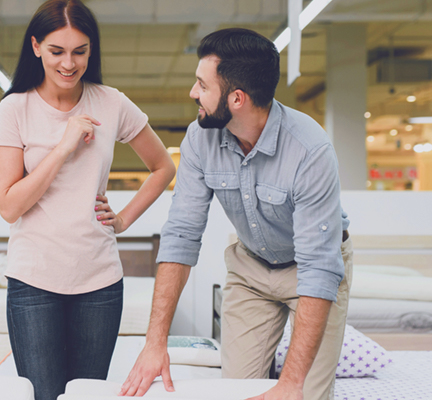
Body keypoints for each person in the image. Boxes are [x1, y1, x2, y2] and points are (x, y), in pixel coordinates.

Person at [120, 28, 352, 400]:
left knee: (302, 394)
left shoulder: (310, 151)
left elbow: (319, 268)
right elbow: (181, 234)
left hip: (311, 270)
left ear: (237, 99)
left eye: (202, 85)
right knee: (237, 392)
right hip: (251, 269)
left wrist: (291, 384)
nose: (193, 93)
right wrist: (154, 343)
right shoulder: (199, 139)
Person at [0, 1, 176, 399]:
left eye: (80, 51)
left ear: (92, 50)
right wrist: (62, 148)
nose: (69, 64)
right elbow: (8, 206)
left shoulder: (111, 102)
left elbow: (163, 168)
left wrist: (122, 220)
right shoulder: (14, 109)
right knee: (44, 395)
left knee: (89, 395)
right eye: (57, 51)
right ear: (36, 46)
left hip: (99, 282)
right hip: (34, 281)